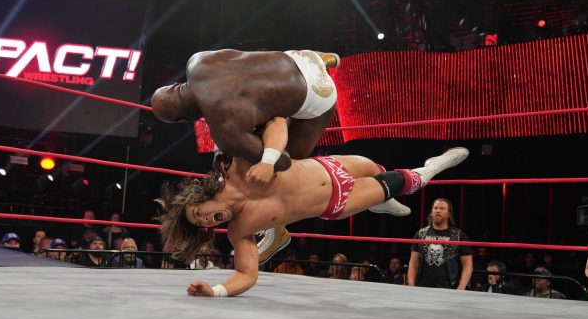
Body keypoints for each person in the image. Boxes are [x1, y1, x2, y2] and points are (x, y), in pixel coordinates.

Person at [150, 49, 411, 263]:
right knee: (259, 117)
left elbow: (282, 162)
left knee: (280, 164)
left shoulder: (225, 130)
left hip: (320, 95)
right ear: (175, 87)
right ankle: (323, 60)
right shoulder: (198, 60)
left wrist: (238, 151)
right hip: (300, 59)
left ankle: (276, 231)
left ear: (183, 119)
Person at [157, 146, 469, 297]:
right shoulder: (240, 229)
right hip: (338, 201)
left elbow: (249, 129)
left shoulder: (235, 168)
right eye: (203, 224)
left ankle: (380, 203)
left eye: (200, 212)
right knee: (406, 181)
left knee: (376, 168)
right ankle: (432, 166)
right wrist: (216, 291)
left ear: (200, 194)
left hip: (328, 165)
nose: (208, 220)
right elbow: (246, 274)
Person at [406, 198, 473, 291]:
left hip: (448, 288)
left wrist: (461, 288)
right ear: (431, 212)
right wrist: (411, 285)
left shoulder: (458, 235)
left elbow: (468, 265)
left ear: (449, 214)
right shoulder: (421, 234)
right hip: (422, 287)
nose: (438, 210)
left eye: (442, 208)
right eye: (435, 208)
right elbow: (414, 262)